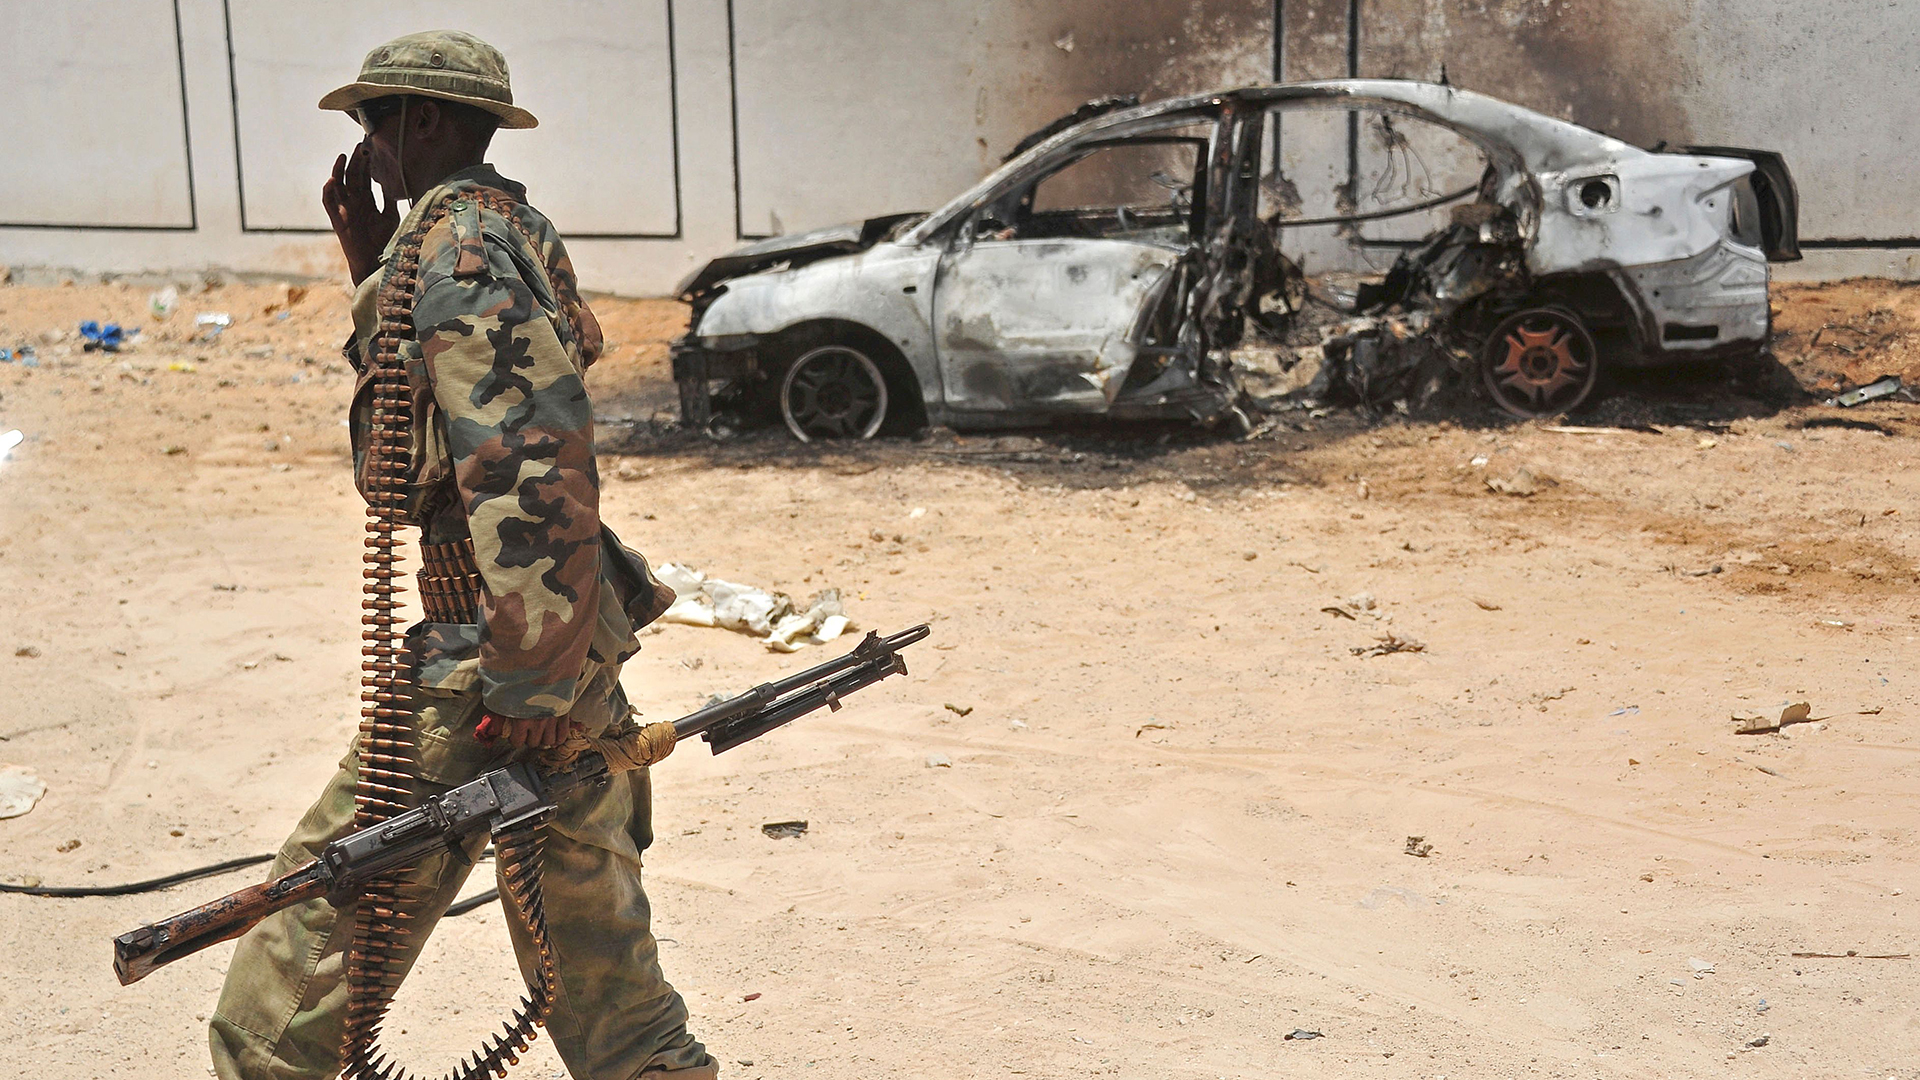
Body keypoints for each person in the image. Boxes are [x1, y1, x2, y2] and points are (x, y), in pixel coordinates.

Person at [208, 30, 717, 1080]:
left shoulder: (459, 253)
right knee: (609, 989)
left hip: (490, 659)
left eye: (374, 124)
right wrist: (372, 272)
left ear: (424, 120)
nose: (367, 152)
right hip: (545, 648)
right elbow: (438, 414)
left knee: (284, 997)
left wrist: (528, 684)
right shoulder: (487, 235)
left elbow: (530, 460)